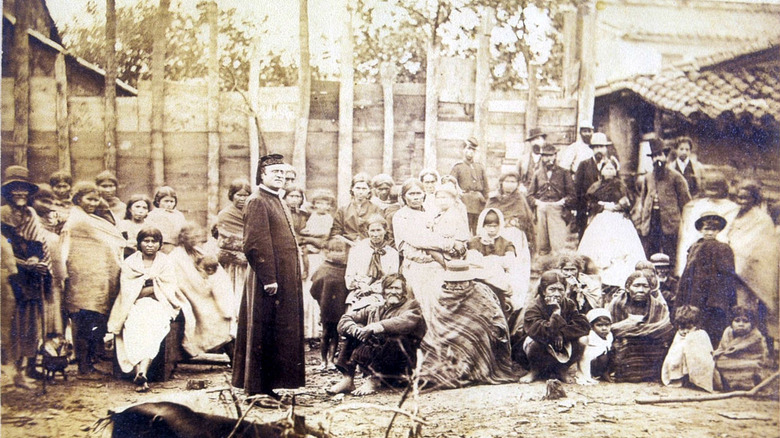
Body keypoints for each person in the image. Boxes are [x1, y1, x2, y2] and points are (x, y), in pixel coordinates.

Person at [232, 154, 305, 399]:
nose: (281, 178)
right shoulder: (257, 200)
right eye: (275, 173)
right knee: (261, 330)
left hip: (283, 277)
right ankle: (254, 390)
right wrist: (269, 278)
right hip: (268, 278)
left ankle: (269, 386)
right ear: (262, 175)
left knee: (277, 331)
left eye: (284, 174)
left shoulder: (278, 199)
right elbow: (255, 244)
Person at [104, 226, 181, 392]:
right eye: (146, 241)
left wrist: (151, 288)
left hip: (160, 304)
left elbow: (169, 287)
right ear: (139, 243)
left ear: (160, 244)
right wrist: (150, 287)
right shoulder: (131, 263)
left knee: (153, 326)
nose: (150, 245)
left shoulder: (166, 262)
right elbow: (129, 291)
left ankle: (141, 371)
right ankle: (142, 372)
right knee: (133, 324)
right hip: (133, 304)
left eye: (154, 241)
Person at [419, 261, 518, 389]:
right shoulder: (442, 294)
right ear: (447, 282)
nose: (457, 286)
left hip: (476, 336)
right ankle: (444, 374)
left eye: (462, 282)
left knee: (475, 333)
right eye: (453, 283)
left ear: (469, 280)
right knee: (433, 343)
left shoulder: (480, 291)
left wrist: (493, 329)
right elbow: (438, 321)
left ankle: (472, 370)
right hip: (445, 335)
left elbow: (496, 315)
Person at [61, 181, 125, 377]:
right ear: (78, 198)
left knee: (91, 322)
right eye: (89, 198)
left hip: (93, 279)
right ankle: (84, 366)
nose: (93, 203)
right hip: (82, 279)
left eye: (96, 199)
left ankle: (89, 361)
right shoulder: (79, 219)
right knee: (82, 322)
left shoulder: (88, 217)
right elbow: (104, 242)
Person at [329, 274, 426, 395]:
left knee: (396, 338)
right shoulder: (376, 308)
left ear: (404, 291)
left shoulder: (412, 306)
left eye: (397, 288)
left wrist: (375, 327)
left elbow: (405, 322)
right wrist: (355, 330)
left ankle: (374, 381)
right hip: (378, 360)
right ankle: (348, 379)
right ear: (383, 291)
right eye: (389, 288)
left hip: (401, 364)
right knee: (351, 335)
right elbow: (345, 319)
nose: (393, 292)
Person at [1, 166, 51, 387]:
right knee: (12, 324)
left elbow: (37, 243)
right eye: (15, 190)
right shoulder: (2, 214)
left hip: (29, 277)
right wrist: (24, 264)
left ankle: (26, 367)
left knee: (30, 322)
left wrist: (36, 260)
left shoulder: (30, 214)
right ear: (8, 192)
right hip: (9, 275)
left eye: (24, 190)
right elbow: (4, 249)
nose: (20, 194)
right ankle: (14, 372)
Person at [577, 157, 645, 288]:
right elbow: (590, 203)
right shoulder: (595, 186)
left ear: (616, 170)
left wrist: (619, 206)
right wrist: (603, 207)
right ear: (601, 171)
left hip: (618, 218)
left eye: (612, 168)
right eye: (606, 168)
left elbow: (627, 202)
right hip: (602, 218)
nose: (609, 171)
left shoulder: (620, 185)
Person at [168, 222, 234, 358]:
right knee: (209, 315)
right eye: (190, 236)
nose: (194, 239)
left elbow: (216, 273)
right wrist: (203, 285)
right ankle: (229, 352)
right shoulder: (176, 256)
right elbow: (185, 280)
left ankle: (232, 353)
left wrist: (210, 284)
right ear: (182, 237)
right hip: (186, 294)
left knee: (223, 312)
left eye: (196, 236)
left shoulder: (198, 251)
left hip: (203, 292)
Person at [727, 180, 779, 343]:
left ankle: (749, 345)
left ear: (754, 198)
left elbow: (759, 250)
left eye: (745, 198)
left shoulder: (762, 220)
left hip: (748, 277)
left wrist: (739, 262)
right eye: (738, 197)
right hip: (729, 271)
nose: (741, 201)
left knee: (745, 311)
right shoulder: (733, 214)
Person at [392, 179, 452, 322]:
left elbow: (445, 233)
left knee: (442, 304)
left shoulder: (432, 213)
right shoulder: (401, 216)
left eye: (418, 193)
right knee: (421, 306)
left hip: (437, 265)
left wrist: (442, 242)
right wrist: (445, 244)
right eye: (411, 194)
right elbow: (417, 241)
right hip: (416, 266)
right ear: (404, 196)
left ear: (424, 194)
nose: (415, 197)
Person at [517, 270, 590, 383]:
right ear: (543, 291)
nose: (556, 294)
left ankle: (562, 370)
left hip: (560, 346)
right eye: (552, 289)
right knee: (533, 340)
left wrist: (562, 334)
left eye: (560, 290)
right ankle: (534, 371)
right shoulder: (534, 307)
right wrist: (556, 313)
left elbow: (582, 325)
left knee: (583, 339)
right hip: (539, 348)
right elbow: (538, 331)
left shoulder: (569, 304)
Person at [677, 212, 736, 345]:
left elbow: (728, 274)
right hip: (696, 292)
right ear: (700, 230)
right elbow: (688, 273)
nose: (710, 232)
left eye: (713, 229)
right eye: (706, 229)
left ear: (718, 231)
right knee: (696, 322)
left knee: (714, 324)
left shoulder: (723, 248)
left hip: (715, 294)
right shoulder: (694, 248)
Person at [608, 270, 674, 382]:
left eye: (645, 286)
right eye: (636, 285)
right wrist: (634, 327)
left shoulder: (657, 306)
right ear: (628, 287)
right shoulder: (617, 304)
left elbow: (665, 327)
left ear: (650, 289)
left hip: (650, 344)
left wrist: (632, 327)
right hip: (625, 345)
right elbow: (610, 328)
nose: (641, 290)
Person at [634, 138, 691, 264]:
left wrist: (684, 223)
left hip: (669, 223)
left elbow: (686, 203)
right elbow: (643, 201)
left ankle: (669, 279)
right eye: (654, 157)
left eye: (660, 155)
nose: (657, 159)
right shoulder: (648, 177)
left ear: (665, 156)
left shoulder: (676, 177)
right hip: (651, 222)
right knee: (651, 253)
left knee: (669, 253)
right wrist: (641, 222)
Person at [675, 173, 738, 276]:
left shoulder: (732, 208)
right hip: (699, 253)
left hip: (721, 253)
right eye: (710, 187)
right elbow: (690, 235)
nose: (713, 191)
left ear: (724, 188)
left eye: (716, 187)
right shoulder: (697, 206)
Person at [466, 208, 526, 312]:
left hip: (501, 283)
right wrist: (496, 262)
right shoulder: (474, 242)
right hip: (479, 281)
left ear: (500, 225)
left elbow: (510, 264)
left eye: (495, 226)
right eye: (489, 226)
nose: (492, 230)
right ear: (483, 225)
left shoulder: (506, 243)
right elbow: (473, 262)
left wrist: (489, 261)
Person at [216, 178, 251, 334]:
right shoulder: (225, 215)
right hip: (232, 264)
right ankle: (231, 332)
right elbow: (224, 240)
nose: (242, 199)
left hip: (251, 263)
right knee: (232, 295)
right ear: (231, 195)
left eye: (246, 195)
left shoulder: (253, 212)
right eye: (239, 195)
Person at [309, 239, 349, 371]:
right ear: (328, 252)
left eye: (340, 251)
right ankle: (323, 360)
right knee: (326, 333)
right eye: (334, 251)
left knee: (336, 333)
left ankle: (331, 360)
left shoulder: (346, 269)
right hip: (326, 306)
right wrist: (322, 300)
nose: (337, 254)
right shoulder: (323, 268)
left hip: (339, 306)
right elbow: (314, 288)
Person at [527, 144, 575, 256]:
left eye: (550, 156)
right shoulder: (537, 174)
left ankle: (558, 267)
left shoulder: (564, 173)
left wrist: (561, 202)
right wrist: (538, 203)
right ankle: (543, 267)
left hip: (558, 210)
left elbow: (572, 195)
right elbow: (529, 195)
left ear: (555, 156)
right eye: (545, 156)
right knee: (542, 245)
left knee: (557, 246)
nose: (548, 159)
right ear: (541, 157)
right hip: (541, 210)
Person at [344, 214, 399, 311]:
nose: (376, 234)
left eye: (379, 230)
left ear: (385, 231)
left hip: (381, 293)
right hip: (359, 291)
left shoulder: (392, 253)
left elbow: (392, 279)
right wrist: (361, 285)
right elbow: (349, 276)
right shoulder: (357, 249)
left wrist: (374, 289)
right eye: (372, 230)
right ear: (367, 231)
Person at [714, 306, 771, 391]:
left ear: (752, 324)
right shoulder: (728, 331)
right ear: (731, 323)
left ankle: (744, 384)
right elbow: (722, 349)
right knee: (715, 363)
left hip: (751, 360)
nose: (741, 324)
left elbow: (760, 356)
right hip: (728, 359)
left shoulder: (755, 335)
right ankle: (726, 383)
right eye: (737, 321)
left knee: (751, 366)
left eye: (745, 321)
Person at [661, 305, 716, 392]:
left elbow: (705, 353)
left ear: (696, 324)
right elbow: (674, 350)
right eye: (682, 327)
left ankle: (695, 381)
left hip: (694, 362)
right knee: (674, 357)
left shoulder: (700, 334)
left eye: (689, 327)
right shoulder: (678, 335)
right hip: (680, 362)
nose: (685, 331)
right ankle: (679, 378)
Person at [485, 171, 535, 256]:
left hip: (513, 229)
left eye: (513, 182)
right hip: (494, 227)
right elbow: (487, 215)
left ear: (517, 184)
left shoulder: (519, 198)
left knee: (512, 233)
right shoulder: (494, 198)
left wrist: (511, 222)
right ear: (501, 183)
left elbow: (524, 217)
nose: (510, 184)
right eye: (507, 181)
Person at [572, 132, 611, 239]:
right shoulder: (584, 165)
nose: (599, 150)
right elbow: (577, 188)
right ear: (592, 149)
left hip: (606, 210)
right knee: (585, 238)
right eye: (596, 147)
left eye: (601, 147)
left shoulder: (611, 165)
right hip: (586, 209)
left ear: (606, 148)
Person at [450, 137, 490, 234]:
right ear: (463, 150)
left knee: (478, 231)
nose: (470, 152)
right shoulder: (458, 167)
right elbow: (451, 184)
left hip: (479, 204)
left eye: (473, 150)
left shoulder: (480, 167)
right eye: (468, 149)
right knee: (464, 231)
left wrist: (486, 202)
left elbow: (486, 187)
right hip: (464, 204)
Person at [331, 173, 381, 245]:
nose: (360, 192)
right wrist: (350, 243)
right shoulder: (343, 210)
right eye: (358, 188)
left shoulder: (376, 209)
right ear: (352, 189)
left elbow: (381, 232)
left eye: (364, 189)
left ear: (369, 191)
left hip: (370, 246)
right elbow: (335, 234)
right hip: (347, 246)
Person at [575, 308, 614, 385]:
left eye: (607, 325)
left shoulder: (610, 335)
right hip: (591, 364)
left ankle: (605, 373)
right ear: (592, 326)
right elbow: (584, 359)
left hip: (603, 361)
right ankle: (590, 375)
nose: (604, 328)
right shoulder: (589, 337)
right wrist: (587, 376)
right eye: (599, 325)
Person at [145, 186, 187, 254]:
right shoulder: (153, 215)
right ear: (158, 201)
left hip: (177, 247)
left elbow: (184, 230)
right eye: (166, 201)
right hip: (159, 247)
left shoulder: (179, 215)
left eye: (171, 201)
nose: (169, 204)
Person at [117, 194, 152, 258]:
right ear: (130, 209)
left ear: (148, 211)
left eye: (144, 208)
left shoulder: (150, 226)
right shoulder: (122, 224)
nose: (140, 211)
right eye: (137, 207)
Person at [650, 253, 679, 319]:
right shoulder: (650, 282)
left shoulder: (673, 282)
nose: (662, 270)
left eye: (664, 268)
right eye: (658, 268)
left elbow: (676, 297)